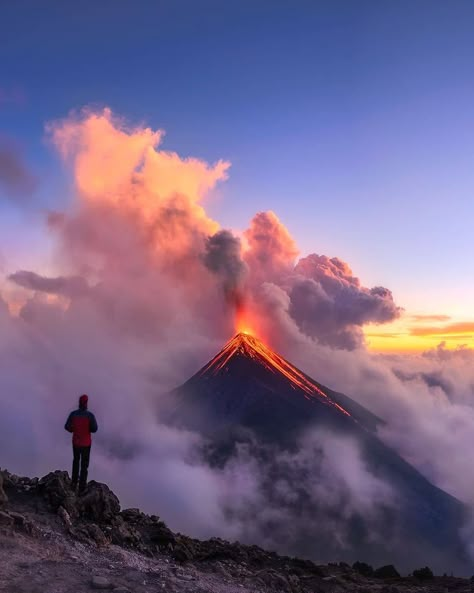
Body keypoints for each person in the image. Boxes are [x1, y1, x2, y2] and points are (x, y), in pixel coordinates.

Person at [64, 394, 98, 493]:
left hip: (76, 442)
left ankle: (74, 483)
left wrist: (73, 429)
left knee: (76, 462)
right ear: (86, 403)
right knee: (84, 465)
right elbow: (94, 429)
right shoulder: (89, 416)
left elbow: (67, 426)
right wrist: (87, 429)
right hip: (86, 443)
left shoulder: (73, 414)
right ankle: (82, 487)